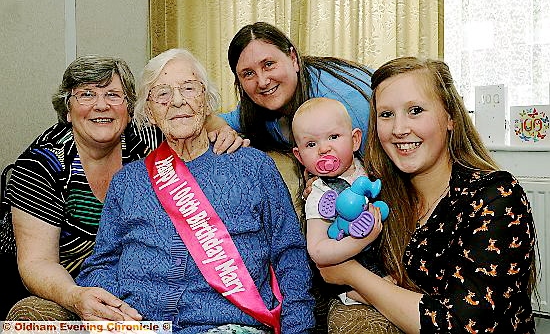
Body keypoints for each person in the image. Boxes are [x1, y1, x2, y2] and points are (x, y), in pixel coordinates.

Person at [76, 48, 315, 334]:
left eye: (189, 88)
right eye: (162, 94)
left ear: (206, 100)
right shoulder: (128, 182)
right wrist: (113, 311)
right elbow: (102, 263)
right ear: (149, 112)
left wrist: (298, 329)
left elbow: (289, 255)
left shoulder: (253, 167)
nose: (177, 101)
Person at [5, 55, 245, 321]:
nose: (101, 105)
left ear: (130, 108)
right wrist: (77, 297)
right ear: (67, 109)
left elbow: (191, 114)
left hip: (142, 283)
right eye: (86, 94)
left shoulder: (145, 137)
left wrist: (224, 131)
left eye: (113, 95)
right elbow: (37, 262)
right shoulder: (41, 165)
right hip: (68, 286)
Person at [318, 57, 538, 333]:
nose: (399, 129)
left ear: (451, 118)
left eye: (415, 110)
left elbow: (461, 326)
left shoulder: (497, 196)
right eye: (386, 115)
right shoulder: (379, 195)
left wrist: (354, 275)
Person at [207, 21, 373, 155]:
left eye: (269, 64)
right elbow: (215, 121)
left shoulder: (342, 104)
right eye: (248, 73)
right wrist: (224, 132)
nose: (262, 82)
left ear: (293, 59)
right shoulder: (257, 108)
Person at [291, 97, 386, 306]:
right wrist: (359, 241)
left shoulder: (366, 167)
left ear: (355, 140)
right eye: (311, 144)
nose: (324, 149)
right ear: (300, 157)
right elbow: (317, 251)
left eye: (333, 136)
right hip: (349, 272)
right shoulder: (318, 194)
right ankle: (354, 294)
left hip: (384, 257)